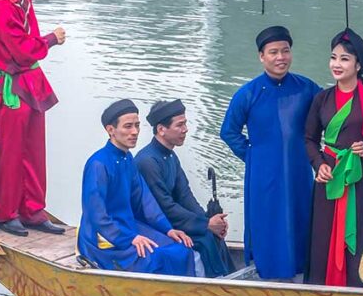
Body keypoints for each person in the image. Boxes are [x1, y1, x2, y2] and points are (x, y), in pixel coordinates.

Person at [220, 26, 320, 280]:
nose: (280, 58)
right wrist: (253, 157)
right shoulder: (248, 93)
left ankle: (302, 269)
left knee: (301, 214)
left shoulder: (306, 88)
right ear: (261, 56)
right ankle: (268, 273)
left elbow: (328, 117)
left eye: (285, 51)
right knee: (267, 219)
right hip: (263, 172)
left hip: (299, 168)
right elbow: (228, 131)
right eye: (273, 52)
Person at [0, 0, 67, 237]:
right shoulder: (2, 5)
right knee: (12, 151)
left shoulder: (23, 0)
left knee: (34, 150)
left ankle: (33, 210)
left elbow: (27, 49)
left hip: (30, 83)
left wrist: (40, 45)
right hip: (12, 86)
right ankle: (6, 213)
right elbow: (22, 50)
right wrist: (51, 40)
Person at [305, 29, 363, 287]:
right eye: (333, 57)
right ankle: (322, 286)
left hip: (361, 175)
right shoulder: (321, 99)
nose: (337, 64)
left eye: (344, 59)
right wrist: (318, 163)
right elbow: (309, 138)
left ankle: (359, 284)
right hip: (330, 173)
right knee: (324, 231)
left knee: (362, 228)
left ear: (358, 65)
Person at [77, 100, 196, 276]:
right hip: (104, 236)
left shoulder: (128, 159)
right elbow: (97, 216)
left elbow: (145, 201)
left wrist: (168, 229)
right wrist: (130, 238)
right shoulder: (98, 164)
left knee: (180, 249)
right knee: (154, 257)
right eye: (128, 126)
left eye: (137, 126)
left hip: (129, 226)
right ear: (111, 130)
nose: (135, 132)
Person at [136, 99, 236, 278]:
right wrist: (205, 225)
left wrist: (210, 221)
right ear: (161, 129)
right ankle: (217, 284)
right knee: (204, 239)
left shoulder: (170, 156)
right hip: (156, 223)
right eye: (180, 125)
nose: (185, 129)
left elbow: (185, 196)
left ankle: (227, 280)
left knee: (212, 235)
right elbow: (164, 206)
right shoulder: (147, 161)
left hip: (172, 218)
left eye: (185, 123)